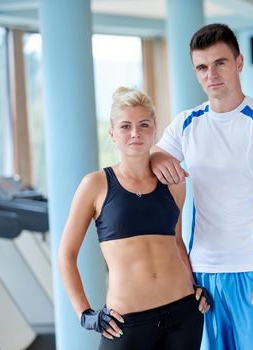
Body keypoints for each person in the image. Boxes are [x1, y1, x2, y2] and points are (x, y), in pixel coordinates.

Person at [150, 23, 253, 349]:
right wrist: (156, 158)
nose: (211, 74)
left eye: (220, 63)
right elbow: (151, 158)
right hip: (202, 275)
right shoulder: (185, 123)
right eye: (202, 67)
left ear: (238, 63)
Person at [58, 87, 210, 350]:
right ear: (112, 133)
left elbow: (176, 241)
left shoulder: (172, 182)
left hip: (184, 313)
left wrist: (195, 284)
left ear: (154, 129)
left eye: (143, 125)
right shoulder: (95, 185)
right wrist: (85, 314)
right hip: (126, 321)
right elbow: (66, 254)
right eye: (125, 126)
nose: (135, 133)